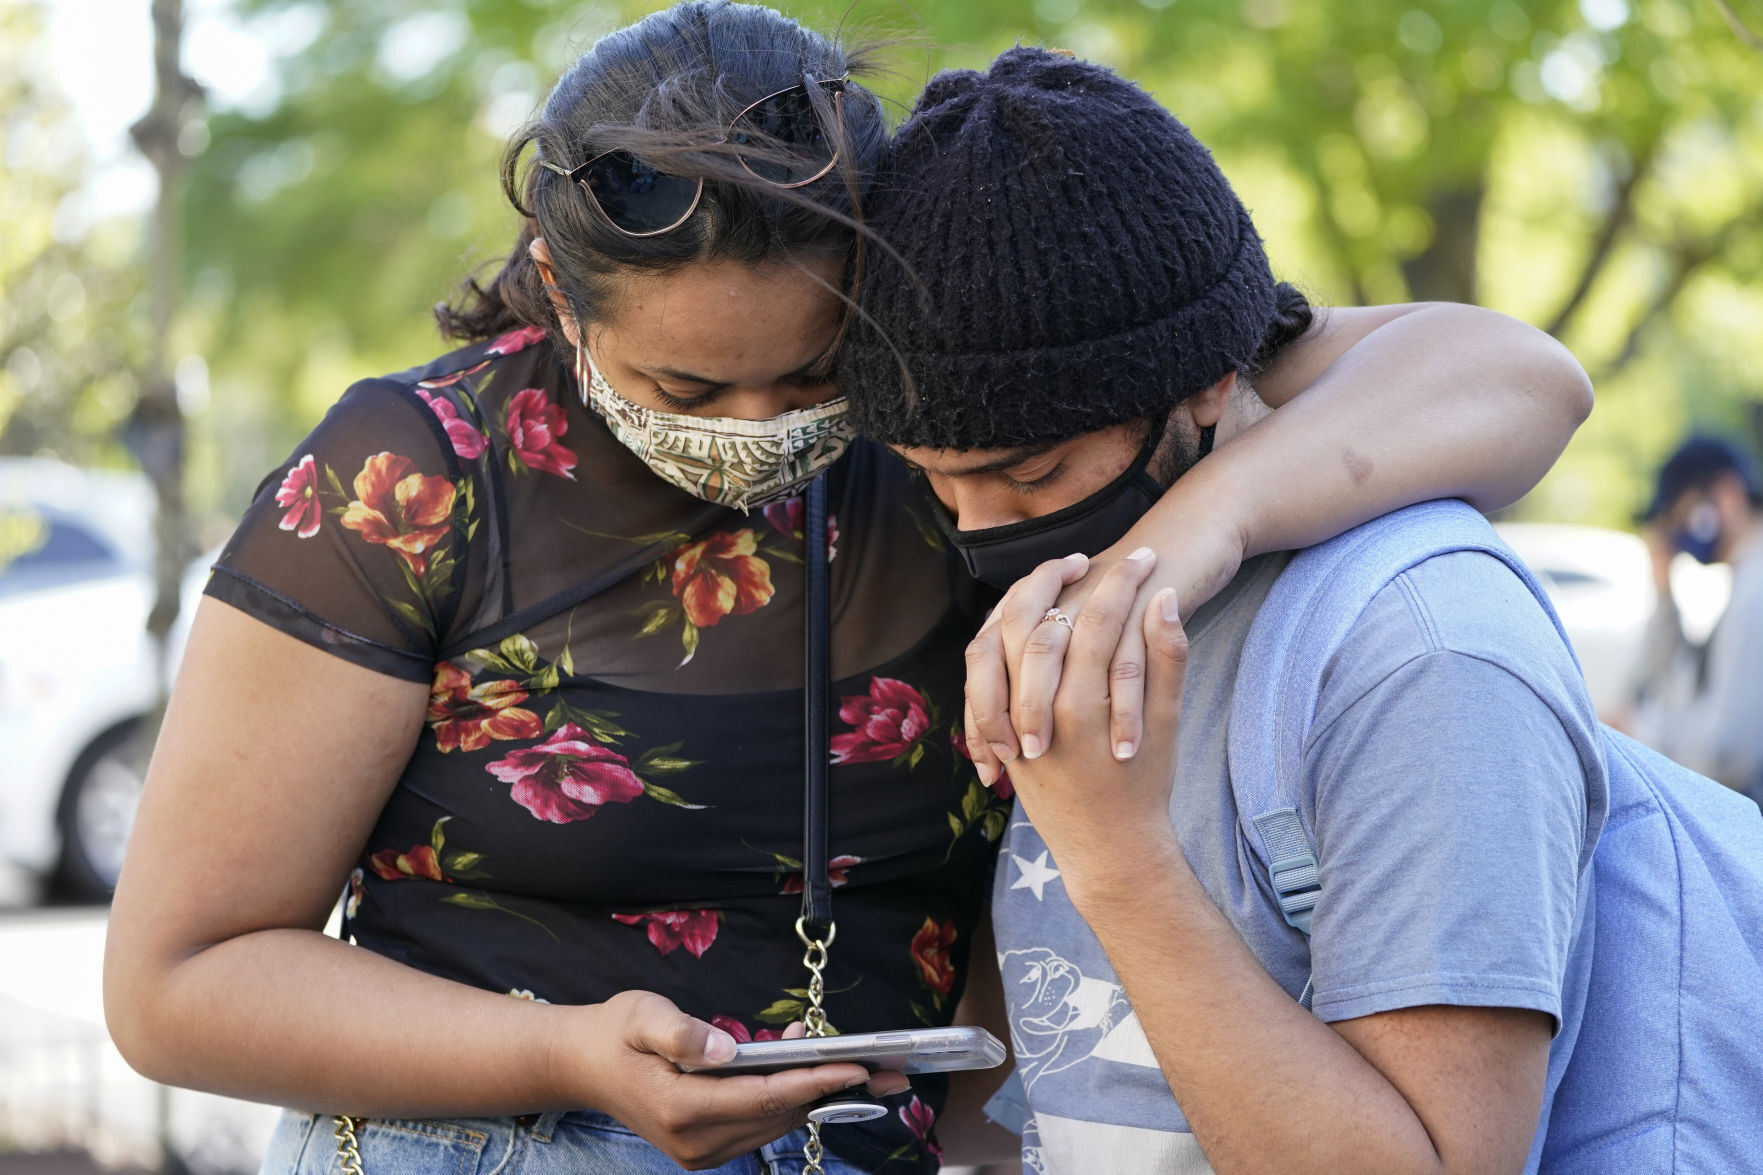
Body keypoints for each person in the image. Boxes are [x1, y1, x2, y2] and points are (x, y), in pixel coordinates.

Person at [101, 8, 1592, 1175]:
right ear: (559, 295)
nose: (755, 428)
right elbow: (179, 979)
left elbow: (1509, 373)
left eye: (807, 374)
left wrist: (1184, 535)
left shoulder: (960, 422)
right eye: (688, 382)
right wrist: (557, 1054)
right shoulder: (411, 478)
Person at [838, 48, 1602, 1174]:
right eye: (935, 479)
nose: (980, 529)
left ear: (1201, 379)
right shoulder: (1086, 612)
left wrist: (1118, 857)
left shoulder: (1419, 657)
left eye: (1031, 472)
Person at [1629, 435, 1763, 802]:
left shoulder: (1756, 591)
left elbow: (1726, 754)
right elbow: (1665, 682)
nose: (1670, 533)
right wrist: (1664, 592)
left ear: (1727, 495)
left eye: (1678, 513)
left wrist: (1638, 735)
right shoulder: (1744, 583)